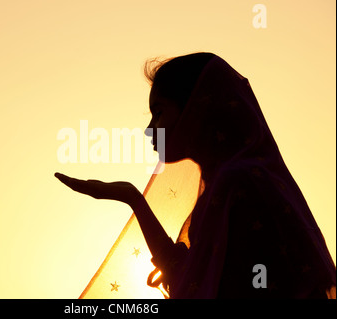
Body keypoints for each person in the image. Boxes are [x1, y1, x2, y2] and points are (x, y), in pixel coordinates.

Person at [55, 52, 336, 298]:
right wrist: (133, 198)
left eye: (159, 113)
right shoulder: (226, 184)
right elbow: (192, 276)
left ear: (198, 106)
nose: (150, 129)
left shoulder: (239, 184)